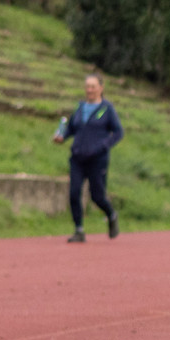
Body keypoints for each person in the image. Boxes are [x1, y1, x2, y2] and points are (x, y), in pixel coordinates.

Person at [54, 73, 123, 243]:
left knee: (97, 197)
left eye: (93, 86)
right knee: (74, 193)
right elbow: (70, 128)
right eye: (87, 86)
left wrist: (103, 146)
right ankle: (79, 230)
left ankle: (111, 215)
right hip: (78, 157)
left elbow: (118, 132)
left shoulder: (107, 109)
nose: (89, 90)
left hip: (97, 159)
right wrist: (62, 137)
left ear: (101, 88)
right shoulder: (79, 107)